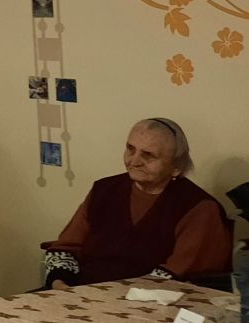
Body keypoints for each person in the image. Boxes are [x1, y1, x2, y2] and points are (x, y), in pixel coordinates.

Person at [40, 118, 232, 288]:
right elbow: (67, 247)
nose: (134, 161)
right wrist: (60, 284)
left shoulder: (199, 208)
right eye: (130, 149)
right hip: (79, 291)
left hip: (148, 303)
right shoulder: (104, 189)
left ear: (176, 167)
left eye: (148, 155)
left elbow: (177, 276)